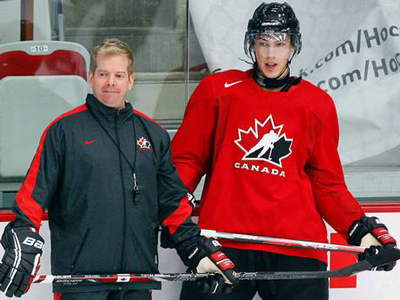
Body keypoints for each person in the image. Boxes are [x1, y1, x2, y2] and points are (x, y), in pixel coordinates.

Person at [172, 2, 397, 300]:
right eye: (263, 44)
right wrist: (170, 212)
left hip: (298, 246)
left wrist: (363, 229)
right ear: (252, 43)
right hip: (224, 241)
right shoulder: (218, 90)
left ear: (293, 46)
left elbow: (327, 185)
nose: (270, 54)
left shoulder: (317, 104)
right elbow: (185, 161)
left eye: (279, 44)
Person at [0, 38, 238, 300]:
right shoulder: (64, 131)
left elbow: (172, 202)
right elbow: (35, 193)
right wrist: (24, 230)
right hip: (81, 280)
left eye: (118, 75)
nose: (110, 82)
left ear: (131, 80)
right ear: (90, 78)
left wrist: (195, 249)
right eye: (103, 74)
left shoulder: (153, 134)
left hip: (137, 279)